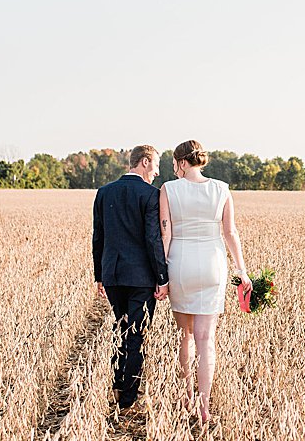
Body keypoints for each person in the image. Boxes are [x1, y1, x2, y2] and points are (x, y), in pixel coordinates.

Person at [160, 139, 252, 424]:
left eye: (175, 164)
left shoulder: (168, 189)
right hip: (213, 265)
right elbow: (230, 232)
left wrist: (161, 277)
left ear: (182, 163)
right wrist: (242, 269)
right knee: (206, 339)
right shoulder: (222, 189)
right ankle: (204, 407)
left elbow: (166, 234)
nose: (174, 169)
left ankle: (187, 396)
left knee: (185, 336)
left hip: (181, 265)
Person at [92, 145, 169, 411]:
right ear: (145, 162)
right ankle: (127, 397)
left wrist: (99, 275)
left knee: (121, 329)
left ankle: (116, 384)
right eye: (156, 165)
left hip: (112, 274)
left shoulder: (104, 192)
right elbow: (153, 239)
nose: (157, 172)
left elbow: (98, 237)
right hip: (141, 278)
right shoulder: (151, 195)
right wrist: (162, 276)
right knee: (137, 334)